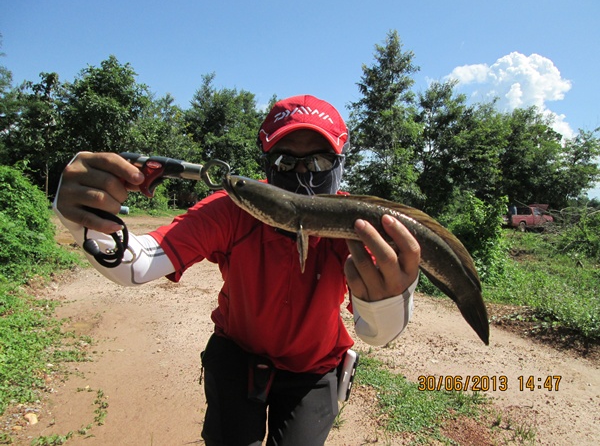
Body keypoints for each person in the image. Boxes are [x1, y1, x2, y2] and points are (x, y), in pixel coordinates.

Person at [53, 94, 420, 446]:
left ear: (340, 163)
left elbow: (376, 333)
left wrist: (390, 303)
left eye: (320, 161)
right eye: (285, 162)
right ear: (266, 164)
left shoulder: (357, 226)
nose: (303, 172)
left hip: (314, 369)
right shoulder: (232, 209)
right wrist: (84, 217)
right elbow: (137, 264)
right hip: (237, 357)